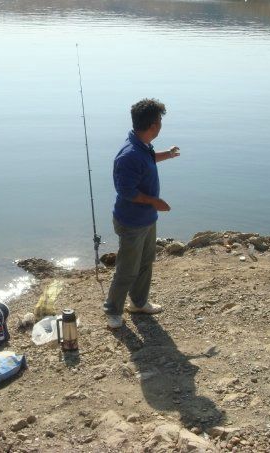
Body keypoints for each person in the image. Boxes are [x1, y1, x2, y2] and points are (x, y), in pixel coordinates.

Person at [104, 98, 179, 329]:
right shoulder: (128, 155)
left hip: (146, 219)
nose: (161, 124)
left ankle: (138, 303)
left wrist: (166, 154)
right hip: (131, 222)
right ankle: (112, 310)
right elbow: (126, 192)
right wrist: (155, 202)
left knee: (146, 262)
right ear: (154, 125)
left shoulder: (142, 144)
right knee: (127, 269)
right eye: (160, 120)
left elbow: (147, 161)